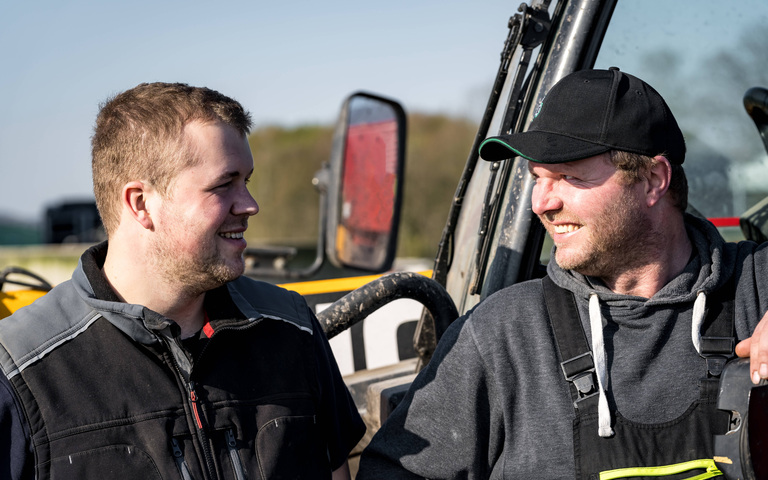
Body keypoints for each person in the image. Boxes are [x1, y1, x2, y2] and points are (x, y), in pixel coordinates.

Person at [356, 68, 768, 479]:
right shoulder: (502, 334)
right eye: (538, 177)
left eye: (569, 176)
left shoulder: (756, 284)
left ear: (652, 180)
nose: (541, 203)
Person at [0, 82, 365, 479]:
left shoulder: (291, 328)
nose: (250, 205)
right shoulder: (21, 374)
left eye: (247, 181)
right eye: (224, 184)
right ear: (140, 204)